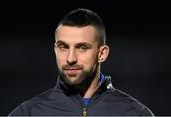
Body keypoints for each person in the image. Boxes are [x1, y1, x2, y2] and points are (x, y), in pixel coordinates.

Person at [9, 8, 154, 116]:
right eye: (63, 47)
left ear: (102, 54)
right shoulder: (28, 113)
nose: (70, 58)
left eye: (82, 47)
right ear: (55, 50)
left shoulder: (136, 114)